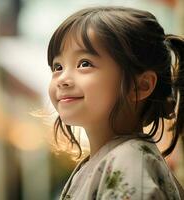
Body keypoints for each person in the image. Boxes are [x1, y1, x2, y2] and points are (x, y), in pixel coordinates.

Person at [47, 6, 184, 199]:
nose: (62, 79)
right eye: (58, 66)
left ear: (141, 86)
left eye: (84, 63)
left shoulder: (130, 161)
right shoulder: (108, 160)